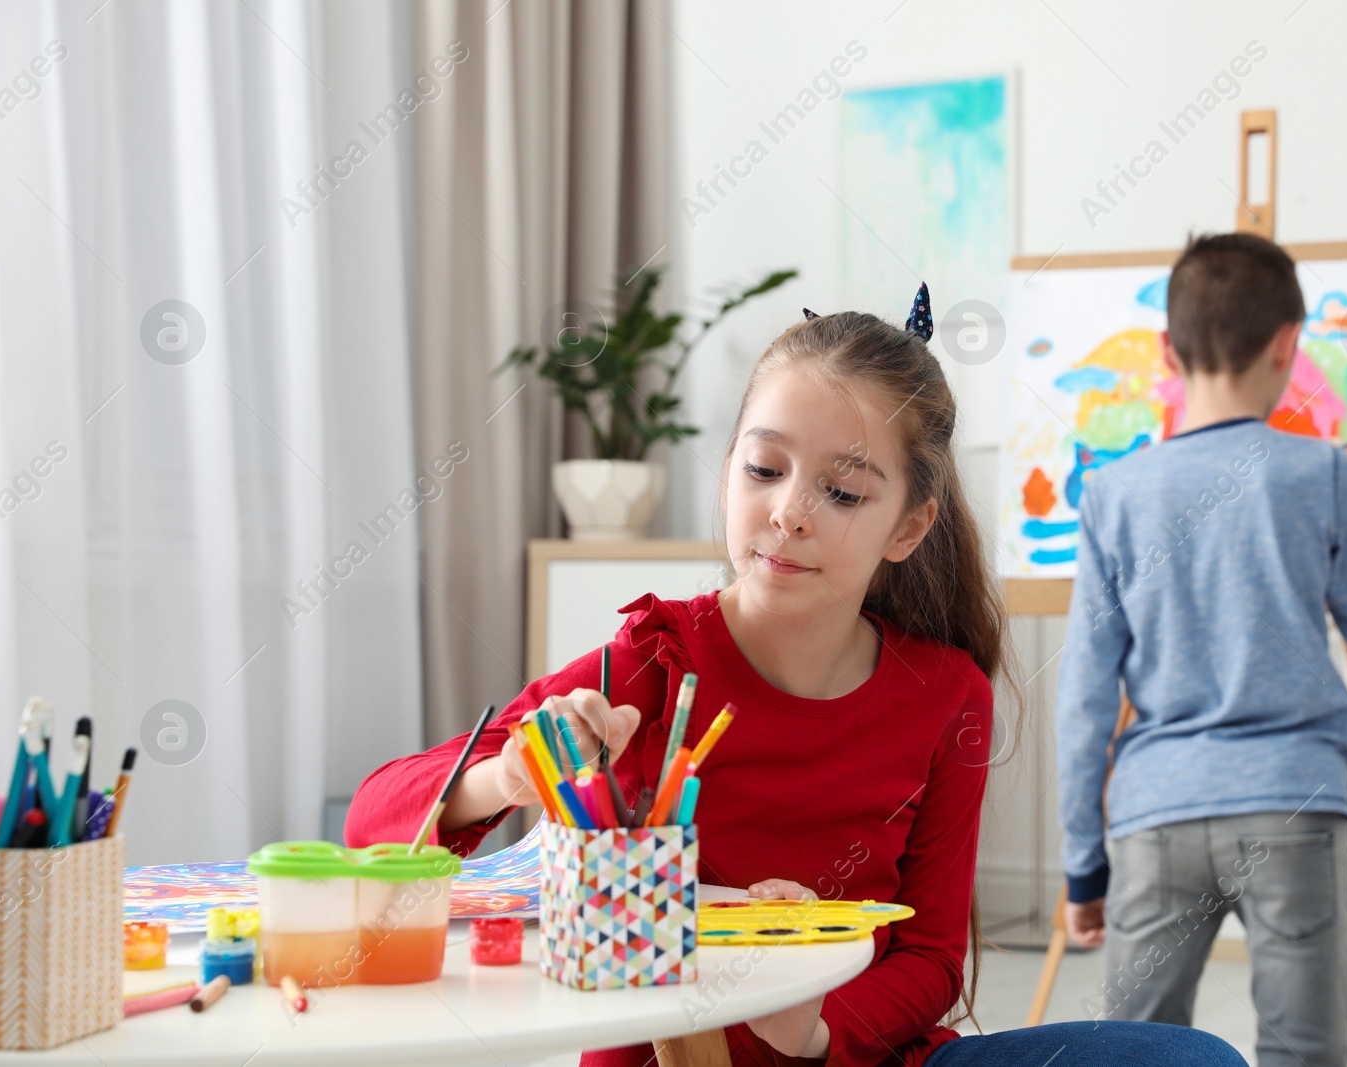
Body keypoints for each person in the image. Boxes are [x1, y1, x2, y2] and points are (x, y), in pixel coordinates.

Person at [347, 284, 1246, 1067]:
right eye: (764, 468)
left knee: (1185, 1058)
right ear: (728, 470)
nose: (788, 513)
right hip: (671, 1063)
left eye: (844, 492)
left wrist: (814, 1029)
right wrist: (503, 775)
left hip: (857, 1058)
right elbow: (372, 816)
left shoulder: (946, 695)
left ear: (908, 526)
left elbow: (931, 956)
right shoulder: (654, 658)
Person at [1055, 232, 1347, 1067]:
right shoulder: (1322, 475)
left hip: (1155, 816)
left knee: (1136, 1054)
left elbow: (1082, 697)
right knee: (1301, 1051)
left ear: (1167, 347)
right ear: (1289, 345)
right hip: (1292, 803)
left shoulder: (1112, 493)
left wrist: (1083, 867)